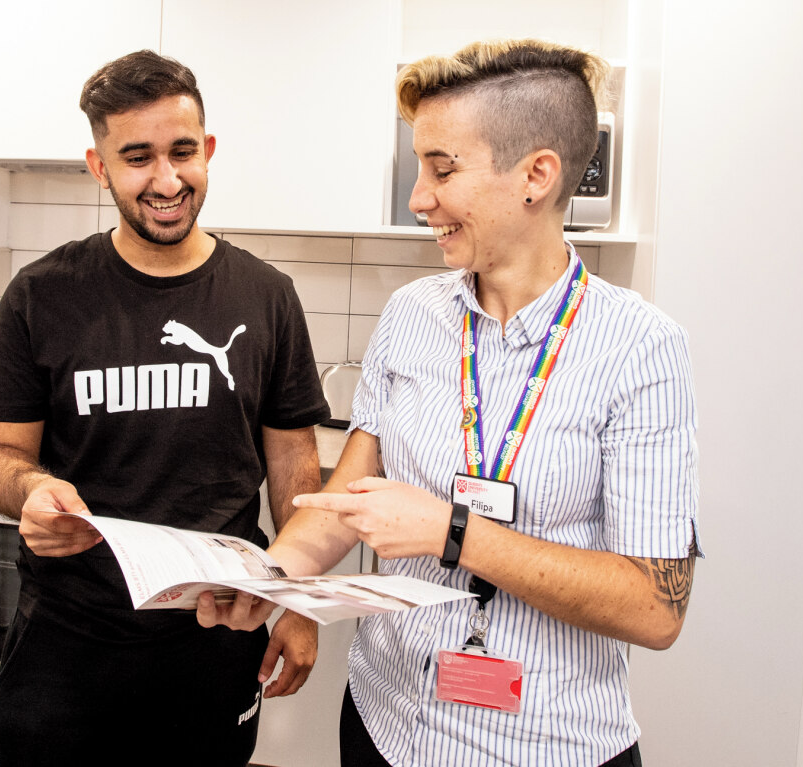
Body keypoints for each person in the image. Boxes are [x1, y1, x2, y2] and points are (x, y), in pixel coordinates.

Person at [199, 39, 701, 766]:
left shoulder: (642, 348)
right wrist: (271, 583)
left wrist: (453, 530)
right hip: (384, 720)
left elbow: (655, 607)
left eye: (442, 168)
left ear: (535, 174)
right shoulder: (410, 314)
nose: (418, 197)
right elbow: (346, 500)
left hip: (544, 745)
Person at [0, 49, 332, 766]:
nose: (167, 180)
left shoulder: (267, 297)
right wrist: (33, 492)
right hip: (67, 646)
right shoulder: (41, 294)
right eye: (137, 157)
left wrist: (300, 601)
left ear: (210, 151)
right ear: (98, 165)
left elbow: (294, 460)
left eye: (182, 152)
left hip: (215, 640)